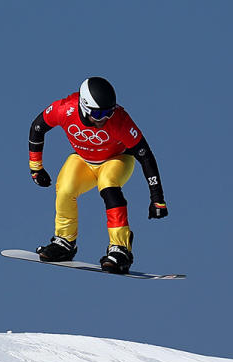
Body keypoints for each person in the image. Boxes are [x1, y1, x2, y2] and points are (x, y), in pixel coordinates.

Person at [27, 76, 169, 274]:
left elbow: (145, 155)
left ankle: (120, 249)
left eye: (108, 112)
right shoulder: (64, 109)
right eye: (98, 113)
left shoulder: (120, 120)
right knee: (65, 188)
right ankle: (64, 242)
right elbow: (37, 128)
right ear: (84, 106)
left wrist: (157, 198)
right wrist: (36, 167)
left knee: (108, 184)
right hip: (84, 159)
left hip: (117, 159)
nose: (104, 119)